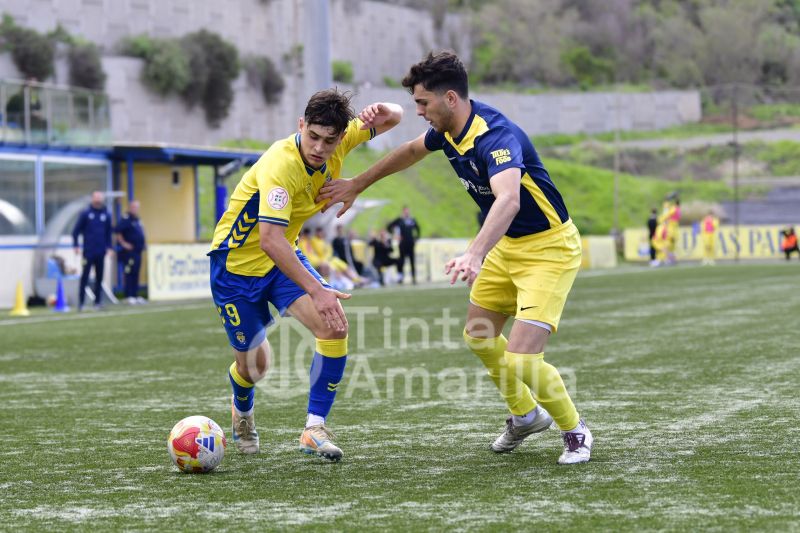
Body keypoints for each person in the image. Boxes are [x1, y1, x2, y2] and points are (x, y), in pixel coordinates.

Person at [318, 51, 592, 464]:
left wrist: (475, 253)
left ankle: (575, 431)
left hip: (548, 249)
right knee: (479, 335)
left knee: (522, 357)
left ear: (450, 98)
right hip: (508, 245)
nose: (419, 112)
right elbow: (409, 152)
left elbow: (509, 200)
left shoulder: (494, 136)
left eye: (423, 103)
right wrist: (358, 182)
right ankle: (525, 415)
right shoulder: (447, 131)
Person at [207, 89, 402, 462]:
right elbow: (268, 240)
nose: (319, 148)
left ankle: (314, 428)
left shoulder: (340, 142)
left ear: (340, 137)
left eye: (329, 141)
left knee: (334, 326)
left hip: (283, 260)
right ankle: (242, 409)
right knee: (255, 367)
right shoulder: (281, 166)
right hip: (235, 268)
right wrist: (319, 289)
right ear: (301, 126)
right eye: (312, 136)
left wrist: (381, 109)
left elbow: (394, 117)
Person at [72, 191, 113, 311]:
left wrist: (109, 247)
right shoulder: (86, 213)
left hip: (101, 252)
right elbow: (75, 231)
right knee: (85, 276)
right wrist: (76, 245)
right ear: (92, 199)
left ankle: (97, 302)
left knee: (99, 277)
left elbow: (108, 233)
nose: (98, 200)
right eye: (96, 198)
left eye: (100, 198)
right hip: (88, 251)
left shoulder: (106, 214)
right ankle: (81, 302)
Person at [115, 200, 147, 303]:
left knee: (136, 273)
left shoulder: (137, 219)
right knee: (129, 272)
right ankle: (128, 295)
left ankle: (135, 294)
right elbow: (117, 231)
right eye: (133, 207)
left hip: (138, 251)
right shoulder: (126, 219)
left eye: (137, 207)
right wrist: (124, 244)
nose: (135, 209)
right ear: (130, 207)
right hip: (129, 253)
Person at [387, 206, 420, 284]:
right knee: (401, 261)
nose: (407, 213)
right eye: (405, 211)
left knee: (412, 261)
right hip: (402, 244)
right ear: (403, 212)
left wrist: (416, 238)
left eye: (408, 211)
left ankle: (414, 278)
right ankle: (401, 278)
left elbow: (418, 229)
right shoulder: (399, 220)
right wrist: (395, 235)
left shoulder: (412, 220)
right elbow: (389, 227)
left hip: (411, 244)